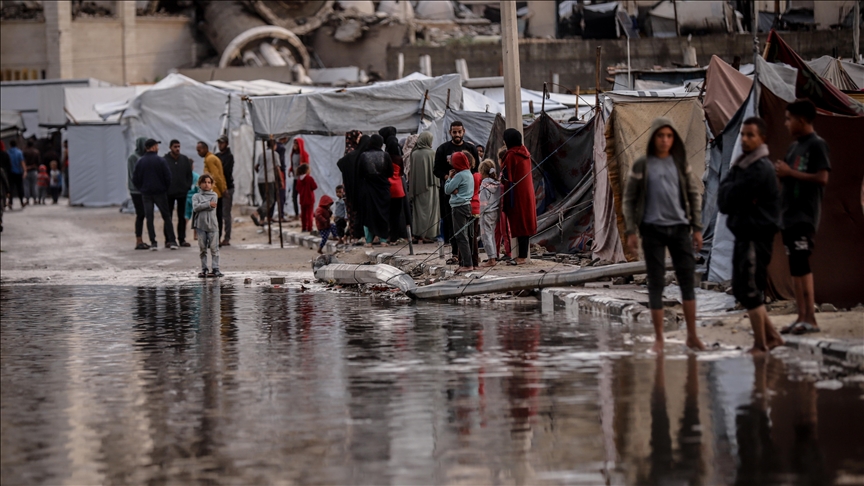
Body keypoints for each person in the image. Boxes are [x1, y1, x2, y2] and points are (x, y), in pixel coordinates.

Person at [622, 118, 705, 353]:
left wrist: (696, 227)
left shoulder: (679, 164)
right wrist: (631, 231)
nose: (665, 140)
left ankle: (692, 336)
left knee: (687, 282)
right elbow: (630, 200)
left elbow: (692, 194)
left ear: (674, 139)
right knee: (656, 282)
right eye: (661, 136)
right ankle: (659, 338)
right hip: (652, 229)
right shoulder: (642, 165)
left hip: (680, 227)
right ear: (653, 138)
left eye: (669, 136)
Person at [718, 117, 784, 355]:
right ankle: (773, 337)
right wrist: (733, 195)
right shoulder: (742, 164)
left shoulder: (760, 168)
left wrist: (733, 195)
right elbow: (724, 200)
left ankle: (761, 343)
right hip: (743, 234)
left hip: (756, 235)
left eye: (750, 135)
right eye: (743, 135)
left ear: (762, 139)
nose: (745, 139)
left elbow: (732, 195)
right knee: (741, 288)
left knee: (750, 288)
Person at [774, 99, 831, 335]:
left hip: (805, 215)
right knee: (795, 267)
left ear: (802, 120)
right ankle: (800, 317)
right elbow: (786, 174)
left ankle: (811, 319)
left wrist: (790, 173)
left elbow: (822, 178)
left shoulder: (817, 145)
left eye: (789, 119)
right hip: (788, 216)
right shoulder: (794, 147)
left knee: (802, 265)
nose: (786, 124)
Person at [434, 121, 480, 262]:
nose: (457, 135)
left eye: (459, 132)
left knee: (470, 226)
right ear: (450, 133)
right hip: (451, 193)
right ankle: (455, 253)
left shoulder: (470, 149)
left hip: (467, 195)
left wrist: (464, 182)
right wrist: (449, 178)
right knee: (452, 224)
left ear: (464, 131)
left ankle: (471, 256)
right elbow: (436, 170)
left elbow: (476, 169)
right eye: (454, 132)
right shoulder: (443, 149)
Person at [500, 129, 537, 265]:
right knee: (524, 222)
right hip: (527, 192)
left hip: (516, 193)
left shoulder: (511, 155)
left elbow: (505, 175)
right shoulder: (525, 153)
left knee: (520, 223)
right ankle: (521, 255)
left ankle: (521, 257)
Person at [133, 139, 178, 251]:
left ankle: (153, 242)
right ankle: (172, 241)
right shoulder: (160, 161)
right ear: (152, 147)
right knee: (166, 216)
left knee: (149, 217)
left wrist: (142, 188)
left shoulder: (140, 161)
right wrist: (164, 188)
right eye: (157, 146)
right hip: (160, 193)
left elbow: (135, 179)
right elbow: (168, 176)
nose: (158, 148)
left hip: (146, 194)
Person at [443, 152, 475, 273]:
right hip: (467, 206)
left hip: (459, 208)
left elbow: (447, 190)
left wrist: (450, 179)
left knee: (461, 236)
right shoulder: (468, 174)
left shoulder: (459, 175)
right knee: (467, 236)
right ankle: (467, 262)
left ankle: (467, 264)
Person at [358, 134, 392, 246]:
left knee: (369, 214)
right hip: (383, 189)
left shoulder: (363, 156)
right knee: (383, 214)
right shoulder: (385, 155)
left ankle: (369, 241)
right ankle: (383, 239)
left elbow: (360, 173)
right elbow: (390, 173)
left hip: (368, 190)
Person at [408, 132, 439, 243]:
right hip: (431, 186)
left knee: (418, 212)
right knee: (430, 211)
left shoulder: (414, 153)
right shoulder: (432, 153)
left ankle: (419, 234)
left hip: (417, 188)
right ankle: (428, 235)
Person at [337, 133, 368, 242]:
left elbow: (340, 163)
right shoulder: (355, 152)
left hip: (348, 187)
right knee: (357, 213)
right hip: (356, 188)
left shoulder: (349, 152)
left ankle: (353, 236)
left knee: (351, 215)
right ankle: (358, 235)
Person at [192, 174, 222, 278]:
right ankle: (204, 269)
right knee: (202, 249)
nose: (206, 184)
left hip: (213, 226)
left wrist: (204, 205)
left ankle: (215, 268)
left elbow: (212, 207)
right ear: (199, 184)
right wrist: (208, 204)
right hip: (200, 226)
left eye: (209, 182)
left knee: (214, 249)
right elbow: (196, 208)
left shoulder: (214, 195)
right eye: (204, 182)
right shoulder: (196, 196)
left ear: (212, 184)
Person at [164, 140, 193, 247]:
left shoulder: (184, 159)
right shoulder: (165, 160)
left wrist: (187, 186)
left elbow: (189, 175)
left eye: (179, 146)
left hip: (182, 192)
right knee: (168, 216)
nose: (177, 149)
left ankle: (182, 239)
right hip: (169, 193)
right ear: (170, 147)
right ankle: (169, 239)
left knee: (181, 216)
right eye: (175, 146)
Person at [381, 126, 407, 243]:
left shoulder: (385, 158)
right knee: (397, 214)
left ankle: (387, 236)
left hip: (387, 188)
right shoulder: (399, 158)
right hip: (398, 189)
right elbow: (402, 172)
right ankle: (395, 237)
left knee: (388, 214)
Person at [196, 141, 227, 240]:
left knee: (214, 218)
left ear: (205, 149)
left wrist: (223, 190)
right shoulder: (210, 158)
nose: (198, 153)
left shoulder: (210, 159)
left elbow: (216, 177)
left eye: (199, 150)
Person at [251, 140, 281, 227]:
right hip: (269, 179)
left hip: (260, 179)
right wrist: (281, 181)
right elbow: (277, 168)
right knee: (270, 201)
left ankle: (262, 220)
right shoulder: (274, 154)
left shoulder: (261, 154)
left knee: (265, 200)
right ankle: (256, 213)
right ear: (274, 145)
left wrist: (260, 172)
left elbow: (256, 167)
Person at [478, 159, 501, 267]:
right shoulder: (497, 184)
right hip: (495, 212)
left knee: (486, 236)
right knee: (491, 235)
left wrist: (479, 213)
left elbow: (483, 201)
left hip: (486, 213)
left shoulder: (484, 185)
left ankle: (491, 259)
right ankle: (494, 256)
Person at [128, 137, 149, 249]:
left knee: (144, 214)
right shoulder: (133, 158)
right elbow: (133, 175)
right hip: (136, 191)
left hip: (144, 189)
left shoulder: (144, 157)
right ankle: (138, 240)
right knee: (140, 214)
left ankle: (142, 240)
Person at [215, 135, 235, 246]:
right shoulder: (216, 156)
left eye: (222, 143)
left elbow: (225, 171)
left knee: (226, 214)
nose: (220, 145)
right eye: (219, 143)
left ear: (226, 143)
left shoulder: (229, 157)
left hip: (227, 188)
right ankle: (217, 236)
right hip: (218, 189)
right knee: (217, 214)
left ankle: (227, 237)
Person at [290, 137, 310, 219]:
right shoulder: (293, 155)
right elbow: (293, 165)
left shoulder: (304, 155)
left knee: (303, 197)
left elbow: (306, 166)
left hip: (302, 179)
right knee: (294, 196)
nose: (294, 145)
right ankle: (296, 213)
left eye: (296, 144)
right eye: (294, 143)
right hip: (295, 179)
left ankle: (304, 214)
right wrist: (290, 170)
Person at [295, 164, 318, 232]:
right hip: (310, 198)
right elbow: (314, 186)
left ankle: (304, 227)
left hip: (302, 199)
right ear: (306, 170)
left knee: (303, 214)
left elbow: (297, 189)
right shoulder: (309, 178)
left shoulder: (299, 180)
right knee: (310, 214)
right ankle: (310, 228)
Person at [7, 140, 25, 209]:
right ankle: (21, 201)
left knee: (11, 188)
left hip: (11, 173)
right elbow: (22, 162)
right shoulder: (19, 152)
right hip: (18, 172)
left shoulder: (8, 153)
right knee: (20, 187)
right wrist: (25, 170)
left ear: (10, 145)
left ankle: (10, 202)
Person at [22, 140, 40, 205]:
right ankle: (35, 199)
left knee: (26, 185)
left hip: (26, 170)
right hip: (34, 170)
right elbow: (38, 162)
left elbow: (22, 161)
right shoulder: (36, 152)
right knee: (34, 185)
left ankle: (27, 199)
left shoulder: (24, 152)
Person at [186, 170, 200, 240]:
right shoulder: (196, 176)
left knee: (186, 216)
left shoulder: (183, 174)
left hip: (185, 198)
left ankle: (183, 234)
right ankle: (196, 235)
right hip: (195, 198)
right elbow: (199, 188)